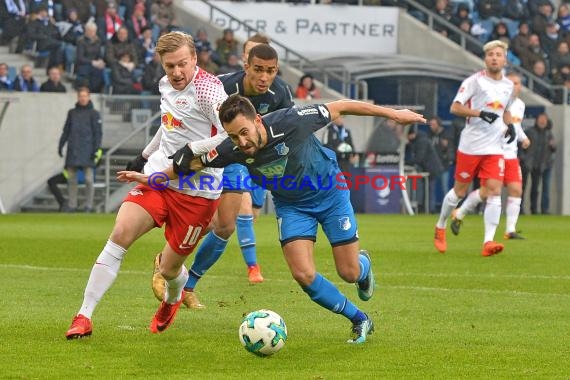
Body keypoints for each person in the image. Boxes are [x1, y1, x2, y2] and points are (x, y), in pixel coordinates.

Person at [118, 93, 426, 344]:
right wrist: (146, 177)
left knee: (349, 272)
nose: (241, 141)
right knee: (304, 275)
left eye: (244, 132)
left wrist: (394, 114)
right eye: (233, 136)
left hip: (331, 194)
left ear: (258, 120)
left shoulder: (292, 121)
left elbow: (342, 105)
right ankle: (360, 319)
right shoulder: (231, 149)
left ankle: (364, 266)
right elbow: (189, 165)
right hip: (292, 206)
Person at [65, 31, 228, 339]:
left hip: (198, 192)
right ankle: (83, 316)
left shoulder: (209, 90)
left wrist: (189, 153)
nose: (177, 73)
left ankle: (172, 297)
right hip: (158, 181)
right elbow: (168, 123)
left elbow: (228, 134)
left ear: (194, 59)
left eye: (182, 64)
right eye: (170, 66)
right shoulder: (165, 85)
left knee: (169, 270)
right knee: (120, 233)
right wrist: (145, 156)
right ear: (162, 64)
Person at [151, 41, 294, 309]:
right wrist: (150, 154)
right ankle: (173, 271)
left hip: (248, 160)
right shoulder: (220, 85)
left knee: (223, 226)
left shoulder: (281, 93)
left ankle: (183, 280)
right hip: (215, 156)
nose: (264, 77)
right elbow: (175, 116)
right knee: (215, 223)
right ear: (246, 65)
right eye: (258, 70)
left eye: (270, 71)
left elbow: (287, 130)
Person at [433, 40, 516, 257]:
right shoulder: (474, 82)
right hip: (471, 145)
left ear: (505, 59)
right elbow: (455, 107)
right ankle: (440, 226)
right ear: (485, 58)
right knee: (459, 192)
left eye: (498, 54)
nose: (494, 58)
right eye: (490, 54)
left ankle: (488, 241)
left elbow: (506, 110)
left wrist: (511, 126)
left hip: (495, 147)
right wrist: (479, 113)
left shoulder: (508, 85)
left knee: (494, 190)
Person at [450, 71, 531, 239]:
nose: (515, 86)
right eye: (512, 82)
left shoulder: (520, 105)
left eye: (518, 84)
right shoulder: (497, 100)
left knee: (516, 189)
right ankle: (460, 213)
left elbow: (516, 125)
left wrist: (523, 138)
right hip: (495, 151)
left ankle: (510, 230)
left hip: (512, 155)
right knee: (488, 192)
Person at [58, 87, 102, 213]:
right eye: (80, 96)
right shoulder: (72, 112)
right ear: (78, 97)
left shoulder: (94, 113)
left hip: (88, 150)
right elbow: (66, 130)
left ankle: (88, 205)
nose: (82, 98)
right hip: (73, 150)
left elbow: (98, 134)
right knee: (72, 179)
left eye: (85, 96)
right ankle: (72, 205)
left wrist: (96, 149)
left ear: (89, 97)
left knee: (89, 179)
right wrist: (61, 145)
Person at [520, 112, 556, 214]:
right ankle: (520, 208)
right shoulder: (529, 132)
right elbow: (521, 145)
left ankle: (534, 209)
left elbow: (553, 148)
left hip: (539, 165)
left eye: (544, 119)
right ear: (537, 120)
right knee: (523, 187)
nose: (542, 121)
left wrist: (553, 146)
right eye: (541, 119)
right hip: (527, 164)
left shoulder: (548, 134)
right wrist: (523, 158)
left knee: (535, 189)